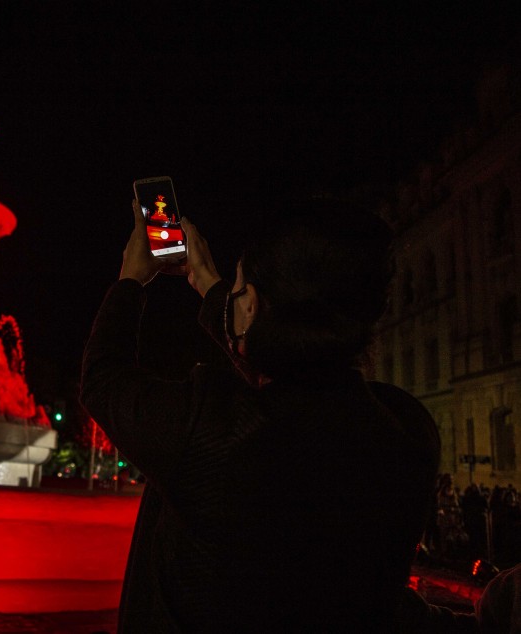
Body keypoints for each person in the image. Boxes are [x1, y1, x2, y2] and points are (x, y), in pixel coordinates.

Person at [80, 196, 470, 631]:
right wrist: (210, 283)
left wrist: (131, 278)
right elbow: (287, 360)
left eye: (239, 291)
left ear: (250, 306)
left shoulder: (208, 428)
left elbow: (102, 378)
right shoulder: (406, 430)